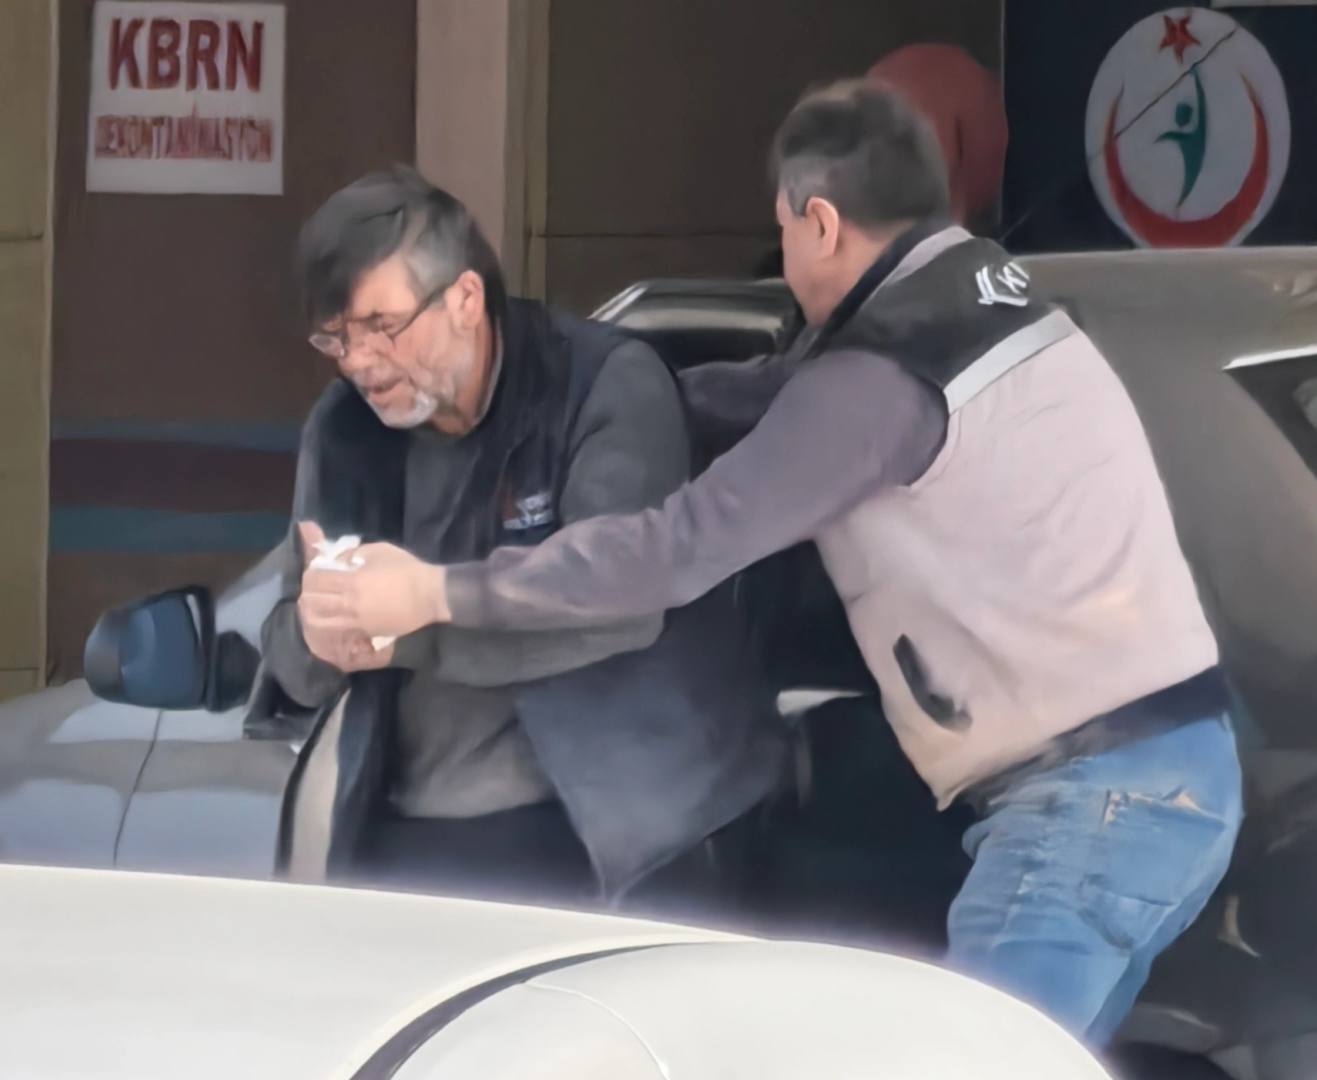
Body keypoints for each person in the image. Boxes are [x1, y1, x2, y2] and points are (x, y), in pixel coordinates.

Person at [298, 84, 1244, 1044]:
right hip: (1173, 776)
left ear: (819, 222)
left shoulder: (879, 383)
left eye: (782, 229)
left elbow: (674, 552)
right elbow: (784, 398)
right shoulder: (981, 300)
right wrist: (617, 399)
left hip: (1087, 805)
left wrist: (434, 591)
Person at [265, 166, 782, 911]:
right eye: (336, 337)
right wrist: (316, 636)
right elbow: (290, 651)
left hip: (619, 833)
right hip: (405, 834)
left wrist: (416, 614)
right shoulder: (345, 428)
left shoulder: (603, 384)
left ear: (465, 299)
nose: (358, 361)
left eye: (382, 326)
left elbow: (621, 603)